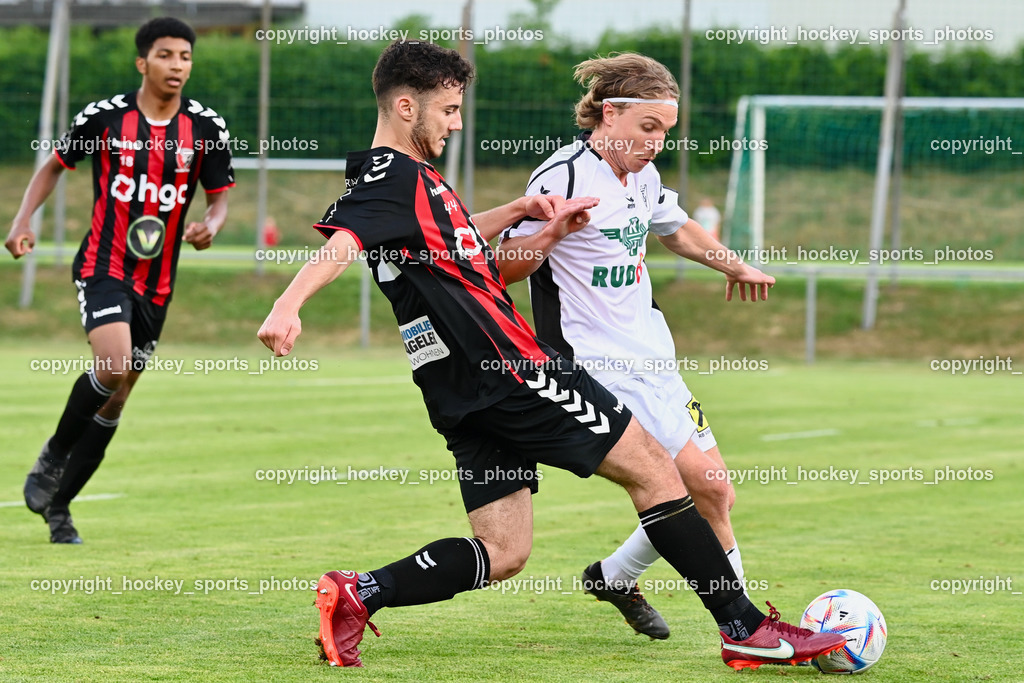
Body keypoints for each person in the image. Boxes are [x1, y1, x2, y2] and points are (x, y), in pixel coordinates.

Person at [257, 40, 842, 671]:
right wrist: (288, 305)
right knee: (656, 471)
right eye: (449, 110)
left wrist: (523, 214)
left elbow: (452, 237)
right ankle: (744, 627)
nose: (456, 123)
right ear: (406, 106)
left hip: (455, 389)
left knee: (503, 551)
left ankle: (359, 591)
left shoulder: (417, 185)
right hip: (509, 367)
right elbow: (346, 241)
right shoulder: (394, 177)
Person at [497, 53, 775, 641]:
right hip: (593, 364)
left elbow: (676, 229)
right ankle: (747, 629)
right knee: (703, 486)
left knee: (710, 491)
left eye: (665, 132)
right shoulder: (563, 177)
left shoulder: (643, 179)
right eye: (647, 128)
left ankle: (614, 576)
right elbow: (503, 267)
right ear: (608, 113)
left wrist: (735, 265)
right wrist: (549, 232)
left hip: (655, 357)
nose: (655, 143)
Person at [5, 17, 234, 543]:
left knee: (116, 398)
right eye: (166, 55)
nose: (177, 65)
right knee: (111, 366)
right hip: (103, 265)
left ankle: (59, 508)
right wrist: (22, 221)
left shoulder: (206, 128)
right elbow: (54, 166)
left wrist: (211, 227)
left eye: (185, 56)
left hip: (159, 283)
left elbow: (220, 198)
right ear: (142, 62)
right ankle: (53, 454)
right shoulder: (107, 117)